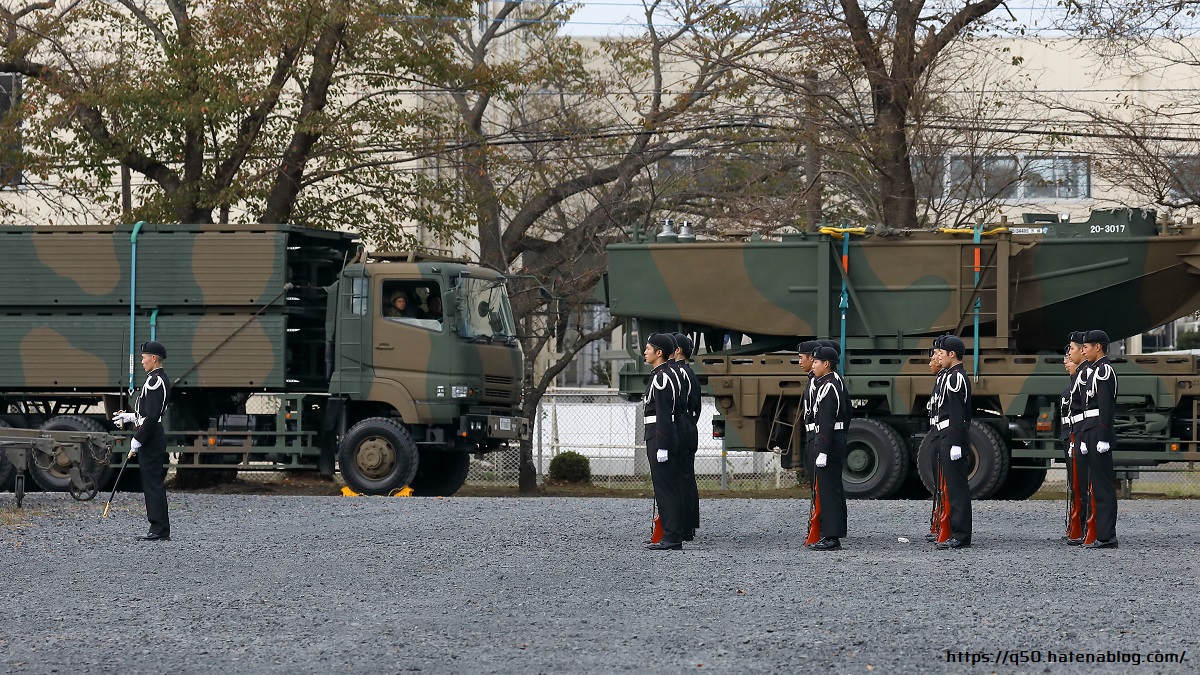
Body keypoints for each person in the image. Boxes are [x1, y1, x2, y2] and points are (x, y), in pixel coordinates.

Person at [112, 341, 171, 541]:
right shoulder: (155, 379)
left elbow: (153, 416)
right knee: (151, 482)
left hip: (151, 436)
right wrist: (130, 417)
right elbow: (148, 412)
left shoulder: (155, 381)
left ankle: (159, 529)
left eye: (144, 357)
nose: (142, 361)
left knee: (153, 483)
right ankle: (157, 527)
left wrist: (138, 438)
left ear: (153, 358)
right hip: (151, 434)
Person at [642, 332, 684, 550]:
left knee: (665, 489)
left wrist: (662, 446)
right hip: (660, 433)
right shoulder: (666, 373)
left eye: (648, 348)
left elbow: (664, 414)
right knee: (667, 488)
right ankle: (671, 533)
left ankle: (672, 536)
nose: (645, 352)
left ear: (659, 353)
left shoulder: (662, 378)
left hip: (659, 434)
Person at [805, 345, 849, 551]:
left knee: (828, 490)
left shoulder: (829, 386)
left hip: (829, 442)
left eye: (816, 362)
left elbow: (826, 421)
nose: (812, 365)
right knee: (828, 488)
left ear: (826, 364)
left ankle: (831, 536)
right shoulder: (827, 383)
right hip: (832, 440)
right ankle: (830, 532)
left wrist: (822, 450)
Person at [1078, 329, 1119, 549]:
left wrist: (1103, 436)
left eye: (1086, 347)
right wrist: (1086, 435)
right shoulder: (1094, 370)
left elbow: (1105, 406)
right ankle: (1101, 534)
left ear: (1098, 347)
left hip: (1099, 431)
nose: (1083, 351)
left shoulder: (1104, 371)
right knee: (1096, 483)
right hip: (1091, 429)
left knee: (1103, 486)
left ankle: (1107, 536)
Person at [932, 335, 971, 549]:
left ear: (952, 354)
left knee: (957, 488)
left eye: (942, 353)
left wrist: (955, 441)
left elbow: (957, 411)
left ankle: (961, 535)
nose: (939, 357)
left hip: (951, 434)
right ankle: (953, 531)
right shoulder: (950, 375)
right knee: (951, 487)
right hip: (945, 433)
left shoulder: (956, 377)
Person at [671, 332, 701, 541]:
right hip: (689, 426)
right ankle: (688, 524)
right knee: (686, 477)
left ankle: (682, 525)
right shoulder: (689, 372)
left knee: (680, 478)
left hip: (682, 428)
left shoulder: (680, 372)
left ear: (678, 350)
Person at [1061, 332, 1089, 545]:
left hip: (1078, 434)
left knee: (1082, 484)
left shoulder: (1083, 378)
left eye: (1069, 356)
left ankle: (1085, 526)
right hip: (1070, 434)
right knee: (1075, 484)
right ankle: (1077, 525)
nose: (1066, 361)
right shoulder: (1073, 382)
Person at [925, 335, 946, 543]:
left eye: (937, 355)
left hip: (944, 434)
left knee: (946, 484)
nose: (933, 360)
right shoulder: (941, 379)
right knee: (939, 483)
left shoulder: (952, 379)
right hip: (937, 432)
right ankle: (939, 523)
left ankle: (947, 527)